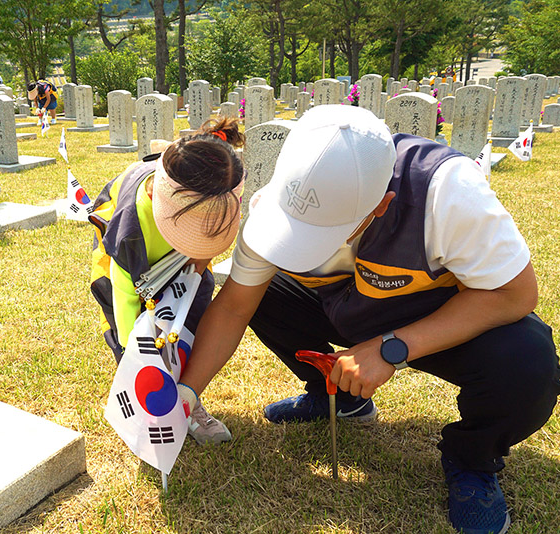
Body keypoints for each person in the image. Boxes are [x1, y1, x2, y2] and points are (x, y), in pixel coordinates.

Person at [177, 105, 560, 534]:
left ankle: (471, 458)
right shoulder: (276, 202)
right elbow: (232, 307)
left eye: (323, 231)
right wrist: (187, 392)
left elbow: (516, 294)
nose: (306, 244)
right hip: (343, 305)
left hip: (431, 316)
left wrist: (391, 347)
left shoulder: (447, 191)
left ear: (381, 205)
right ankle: (339, 399)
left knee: (529, 363)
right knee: (260, 294)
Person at [89, 118, 245, 445]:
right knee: (142, 339)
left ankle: (187, 402)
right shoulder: (130, 229)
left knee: (188, 326)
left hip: (180, 264)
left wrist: (199, 255)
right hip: (125, 273)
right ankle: (148, 410)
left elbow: (203, 249)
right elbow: (127, 300)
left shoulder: (208, 186)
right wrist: (139, 355)